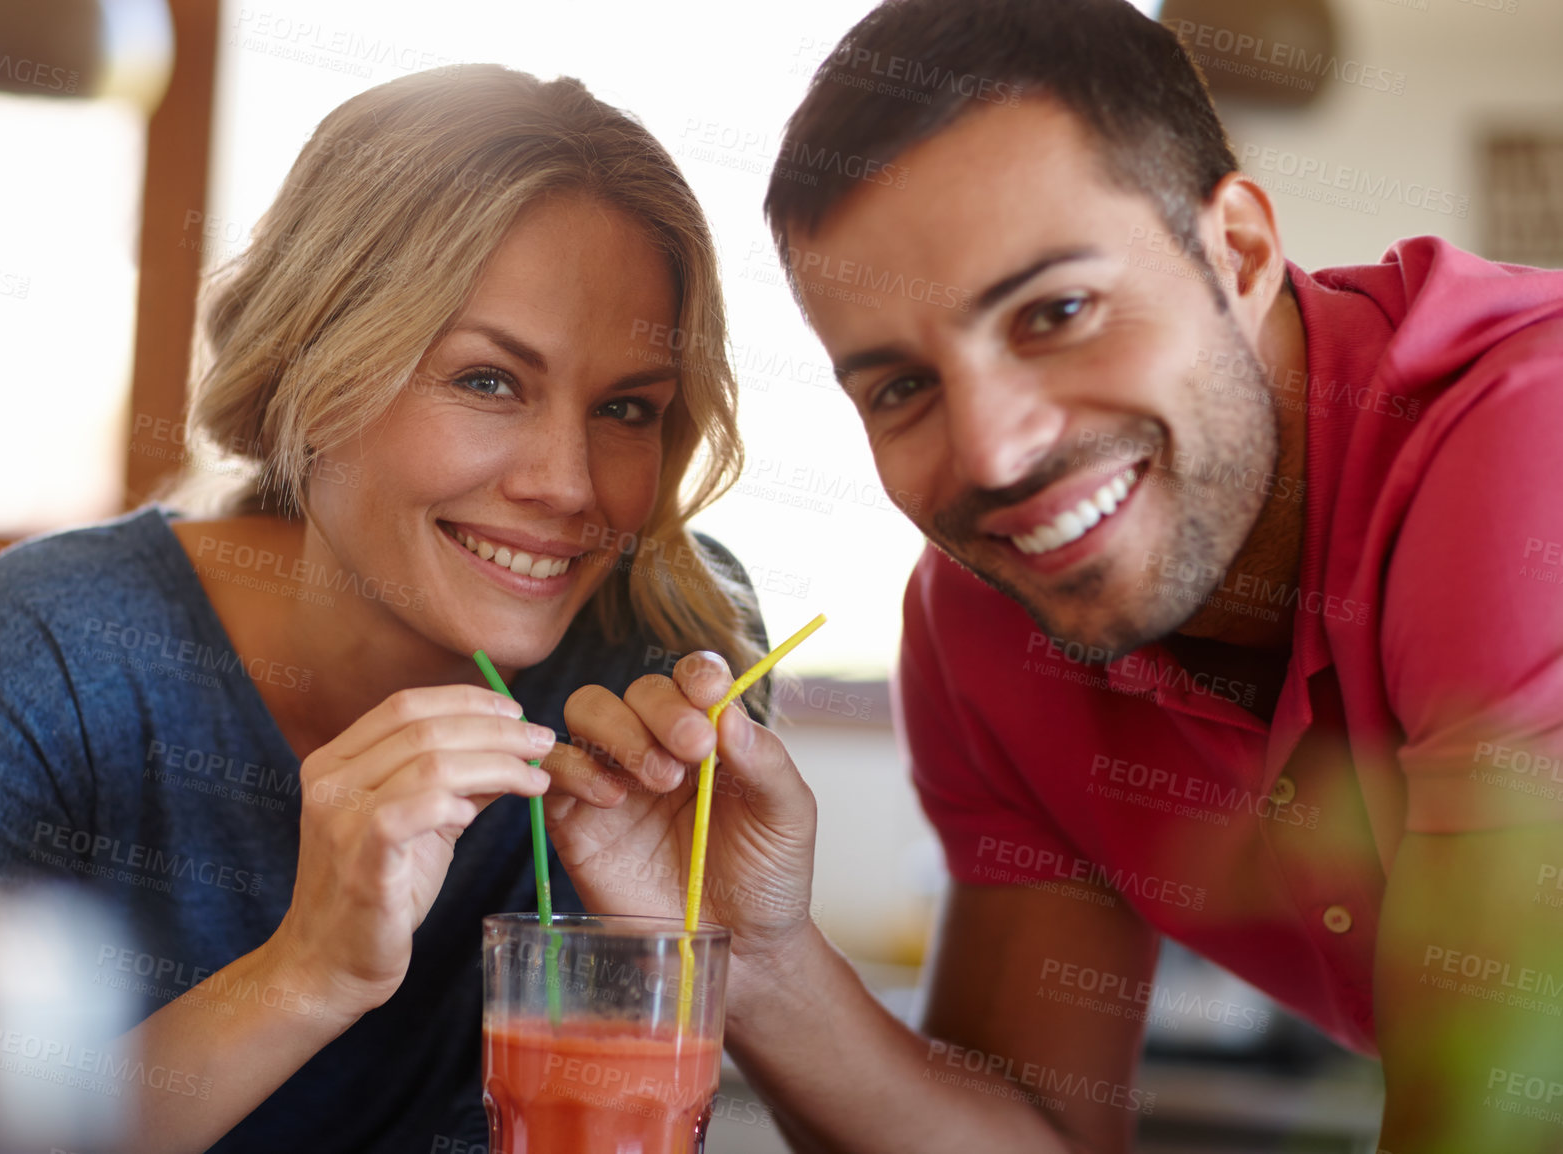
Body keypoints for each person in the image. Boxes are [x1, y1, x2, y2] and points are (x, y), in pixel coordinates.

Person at [543, 1, 1563, 1151]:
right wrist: (764, 959)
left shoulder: (1527, 443)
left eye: (1056, 311)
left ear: (1235, 252)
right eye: (899, 387)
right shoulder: (985, 616)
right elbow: (1039, 1134)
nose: (994, 453)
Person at [0, 64, 769, 1154]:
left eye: (626, 407)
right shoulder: (69, 638)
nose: (570, 483)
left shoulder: (666, 660)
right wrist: (305, 970)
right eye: (487, 380)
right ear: (313, 370)